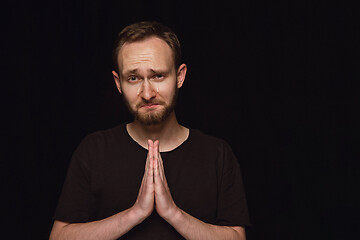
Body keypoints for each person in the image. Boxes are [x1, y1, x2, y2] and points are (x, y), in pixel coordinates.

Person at [50, 21, 250, 240]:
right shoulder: (94, 150)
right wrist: (135, 213)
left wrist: (173, 213)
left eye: (158, 76)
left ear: (180, 76)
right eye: (133, 78)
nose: (147, 93)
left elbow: (237, 238)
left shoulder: (217, 154)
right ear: (118, 83)